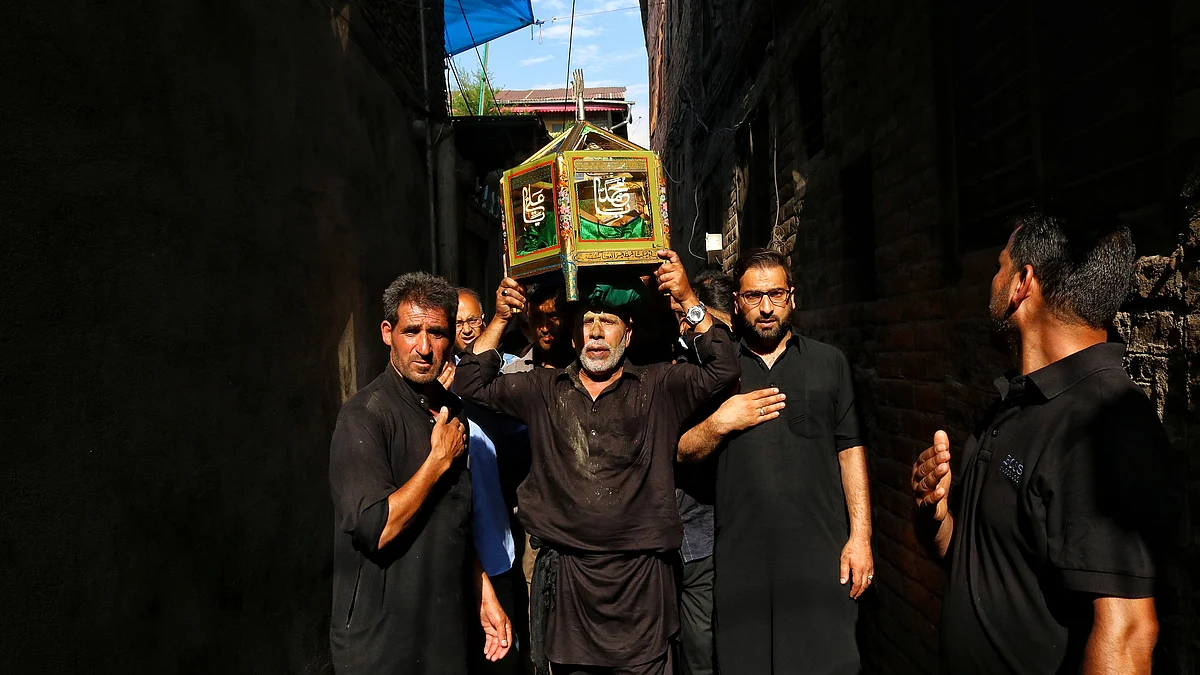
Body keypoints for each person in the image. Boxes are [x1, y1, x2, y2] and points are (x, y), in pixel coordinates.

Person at [455, 250, 740, 675]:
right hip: (569, 589)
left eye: (608, 322)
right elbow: (470, 381)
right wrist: (499, 318)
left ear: (628, 335)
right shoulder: (542, 390)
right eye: (587, 322)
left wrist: (686, 299)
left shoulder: (660, 386)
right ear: (573, 337)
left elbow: (724, 366)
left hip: (641, 589)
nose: (596, 333)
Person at [911, 211, 1169, 674]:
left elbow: (1128, 636)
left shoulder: (1106, 426)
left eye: (999, 266)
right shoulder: (1012, 404)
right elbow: (976, 559)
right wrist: (935, 515)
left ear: (1022, 282)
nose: (992, 281)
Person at [678, 248, 873, 675]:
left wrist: (861, 537)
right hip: (741, 567)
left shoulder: (829, 363)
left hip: (820, 564)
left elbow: (850, 448)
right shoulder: (716, 372)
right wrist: (720, 423)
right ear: (736, 303)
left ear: (792, 298)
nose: (766, 308)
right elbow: (681, 450)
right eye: (753, 297)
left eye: (776, 294)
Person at [328, 272, 511, 674]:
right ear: (387, 332)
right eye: (412, 331)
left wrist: (483, 593)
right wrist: (436, 463)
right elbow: (375, 529)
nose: (425, 348)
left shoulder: (452, 410)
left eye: (437, 333)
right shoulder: (364, 416)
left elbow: (457, 518)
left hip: (442, 636)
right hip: (382, 647)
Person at [453, 287, 528, 675]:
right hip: (462, 540)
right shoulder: (442, 378)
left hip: (502, 524)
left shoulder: (508, 364)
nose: (466, 330)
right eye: (458, 322)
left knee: (506, 645)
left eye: (473, 321)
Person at [668, 268, 737, 675]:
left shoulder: (738, 371)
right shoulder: (682, 368)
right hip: (685, 538)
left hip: (720, 537)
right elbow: (677, 448)